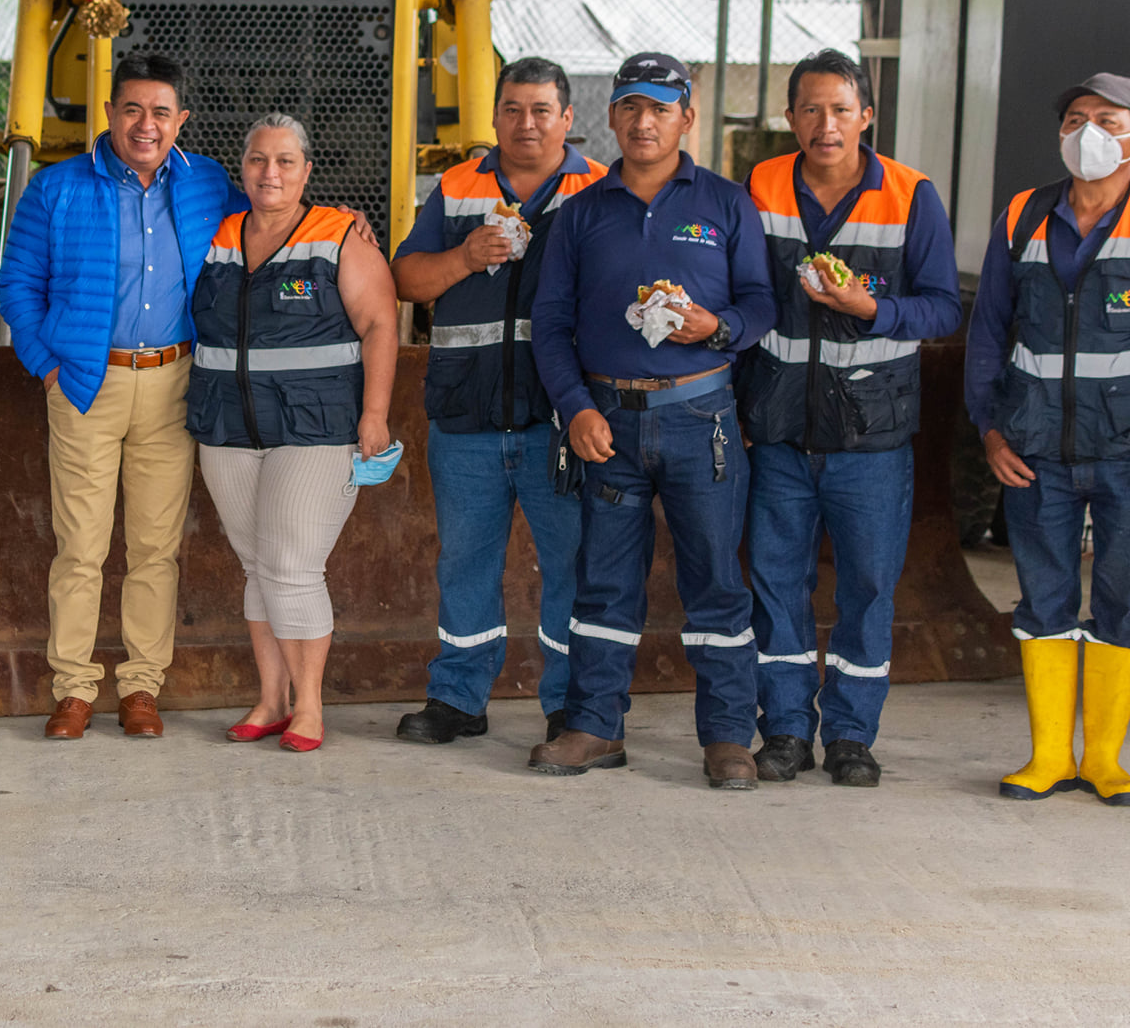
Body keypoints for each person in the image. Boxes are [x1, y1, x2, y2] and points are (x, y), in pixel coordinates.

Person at [527, 52, 776, 789]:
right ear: (611, 116)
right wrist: (575, 407)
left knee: (716, 583)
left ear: (686, 118)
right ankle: (595, 726)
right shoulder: (581, 212)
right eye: (631, 106)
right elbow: (549, 325)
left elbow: (762, 303)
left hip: (704, 421)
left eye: (660, 108)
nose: (644, 121)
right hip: (609, 424)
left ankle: (729, 737)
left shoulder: (727, 203)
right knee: (603, 582)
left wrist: (717, 326)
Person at [0, 52, 247, 740]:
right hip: (84, 383)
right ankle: (74, 688)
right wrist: (48, 365)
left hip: (174, 383)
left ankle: (141, 686)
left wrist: (342, 229)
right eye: (133, 109)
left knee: (154, 547)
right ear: (108, 112)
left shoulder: (209, 185)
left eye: (161, 112)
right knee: (79, 547)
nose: (146, 124)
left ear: (181, 120)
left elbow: (266, 235)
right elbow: (16, 285)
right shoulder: (57, 188)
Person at [739, 49, 960, 788]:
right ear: (790, 117)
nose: (824, 124)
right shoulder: (763, 184)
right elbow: (745, 295)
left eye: (840, 109)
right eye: (809, 109)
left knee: (867, 585)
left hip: (872, 437)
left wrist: (873, 310)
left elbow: (941, 306)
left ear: (867, 115)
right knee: (777, 583)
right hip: (778, 429)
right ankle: (788, 731)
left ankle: (854, 735)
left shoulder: (909, 194)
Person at [391, 57, 606, 748]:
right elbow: (406, 279)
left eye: (542, 109)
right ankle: (458, 696)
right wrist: (467, 255)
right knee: (464, 562)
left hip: (560, 419)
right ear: (494, 117)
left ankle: (571, 705)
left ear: (569, 119)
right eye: (512, 108)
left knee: (572, 566)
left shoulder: (600, 190)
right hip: (467, 415)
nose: (527, 123)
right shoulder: (457, 188)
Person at [188, 114, 397, 751]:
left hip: (318, 427)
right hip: (227, 426)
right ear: (241, 169)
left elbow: (382, 325)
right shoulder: (217, 233)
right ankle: (270, 698)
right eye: (256, 160)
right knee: (257, 566)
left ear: (308, 171)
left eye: (285, 161)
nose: (269, 173)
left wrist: (375, 414)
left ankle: (309, 705)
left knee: (292, 565)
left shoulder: (339, 234)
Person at [967, 73, 1130, 805]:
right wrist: (989, 428)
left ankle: (1103, 758)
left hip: (1125, 448)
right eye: (1074, 117)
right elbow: (987, 330)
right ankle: (1046, 756)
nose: (1087, 131)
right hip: (1033, 447)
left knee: (1123, 602)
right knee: (1044, 597)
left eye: (1106, 118)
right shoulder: (1024, 215)